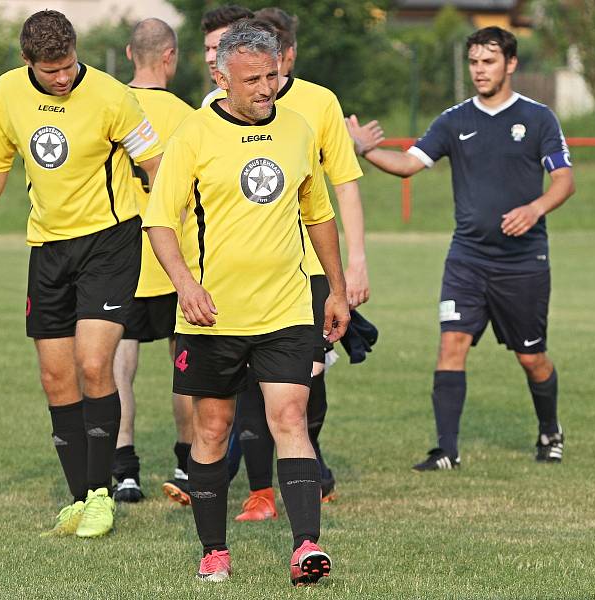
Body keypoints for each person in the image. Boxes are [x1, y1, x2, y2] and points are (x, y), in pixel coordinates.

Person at [143, 21, 349, 585]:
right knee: (212, 428)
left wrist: (333, 287)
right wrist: (186, 284)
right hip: (214, 316)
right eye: (254, 79)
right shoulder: (193, 136)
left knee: (290, 418)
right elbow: (160, 220)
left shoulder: (300, 130)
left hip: (285, 309)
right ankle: (214, 550)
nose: (267, 88)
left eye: (274, 76)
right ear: (220, 76)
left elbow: (319, 215)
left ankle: (306, 547)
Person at [0, 10, 163, 537]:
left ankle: (101, 493)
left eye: (68, 66)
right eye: (51, 71)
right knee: (55, 377)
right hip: (47, 247)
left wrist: (177, 233)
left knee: (95, 364)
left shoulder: (113, 96)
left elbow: (158, 166)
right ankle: (78, 498)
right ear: (28, 62)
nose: (63, 77)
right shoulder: (6, 92)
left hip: (110, 242)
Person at [347, 26, 574, 470]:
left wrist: (535, 208)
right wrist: (366, 152)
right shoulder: (454, 120)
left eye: (488, 62)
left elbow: (564, 180)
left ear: (510, 64)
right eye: (473, 62)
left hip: (522, 262)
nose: (479, 70)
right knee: (451, 344)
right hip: (467, 259)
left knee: (532, 357)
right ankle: (446, 450)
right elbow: (409, 164)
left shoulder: (539, 118)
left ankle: (550, 430)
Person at [228, 8, 370, 523]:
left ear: (286, 55)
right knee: (248, 378)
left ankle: (311, 467)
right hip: (242, 273)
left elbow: (344, 184)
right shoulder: (219, 107)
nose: (265, 79)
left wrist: (355, 263)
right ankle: (260, 490)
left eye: (273, 64)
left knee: (308, 380)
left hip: (309, 267)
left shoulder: (318, 103)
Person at [159, 4, 255, 501]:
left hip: (282, 279)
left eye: (223, 48)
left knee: (288, 397)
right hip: (215, 285)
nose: (215, 59)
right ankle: (205, 480)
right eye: (210, 50)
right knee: (220, 403)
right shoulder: (199, 119)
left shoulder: (289, 113)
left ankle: (306, 481)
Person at [110, 19, 195, 503]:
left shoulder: (111, 106)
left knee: (121, 367)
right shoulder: (187, 117)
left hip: (119, 258)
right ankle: (186, 467)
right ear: (171, 57)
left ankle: (124, 471)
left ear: (128, 53)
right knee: (183, 366)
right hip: (175, 259)